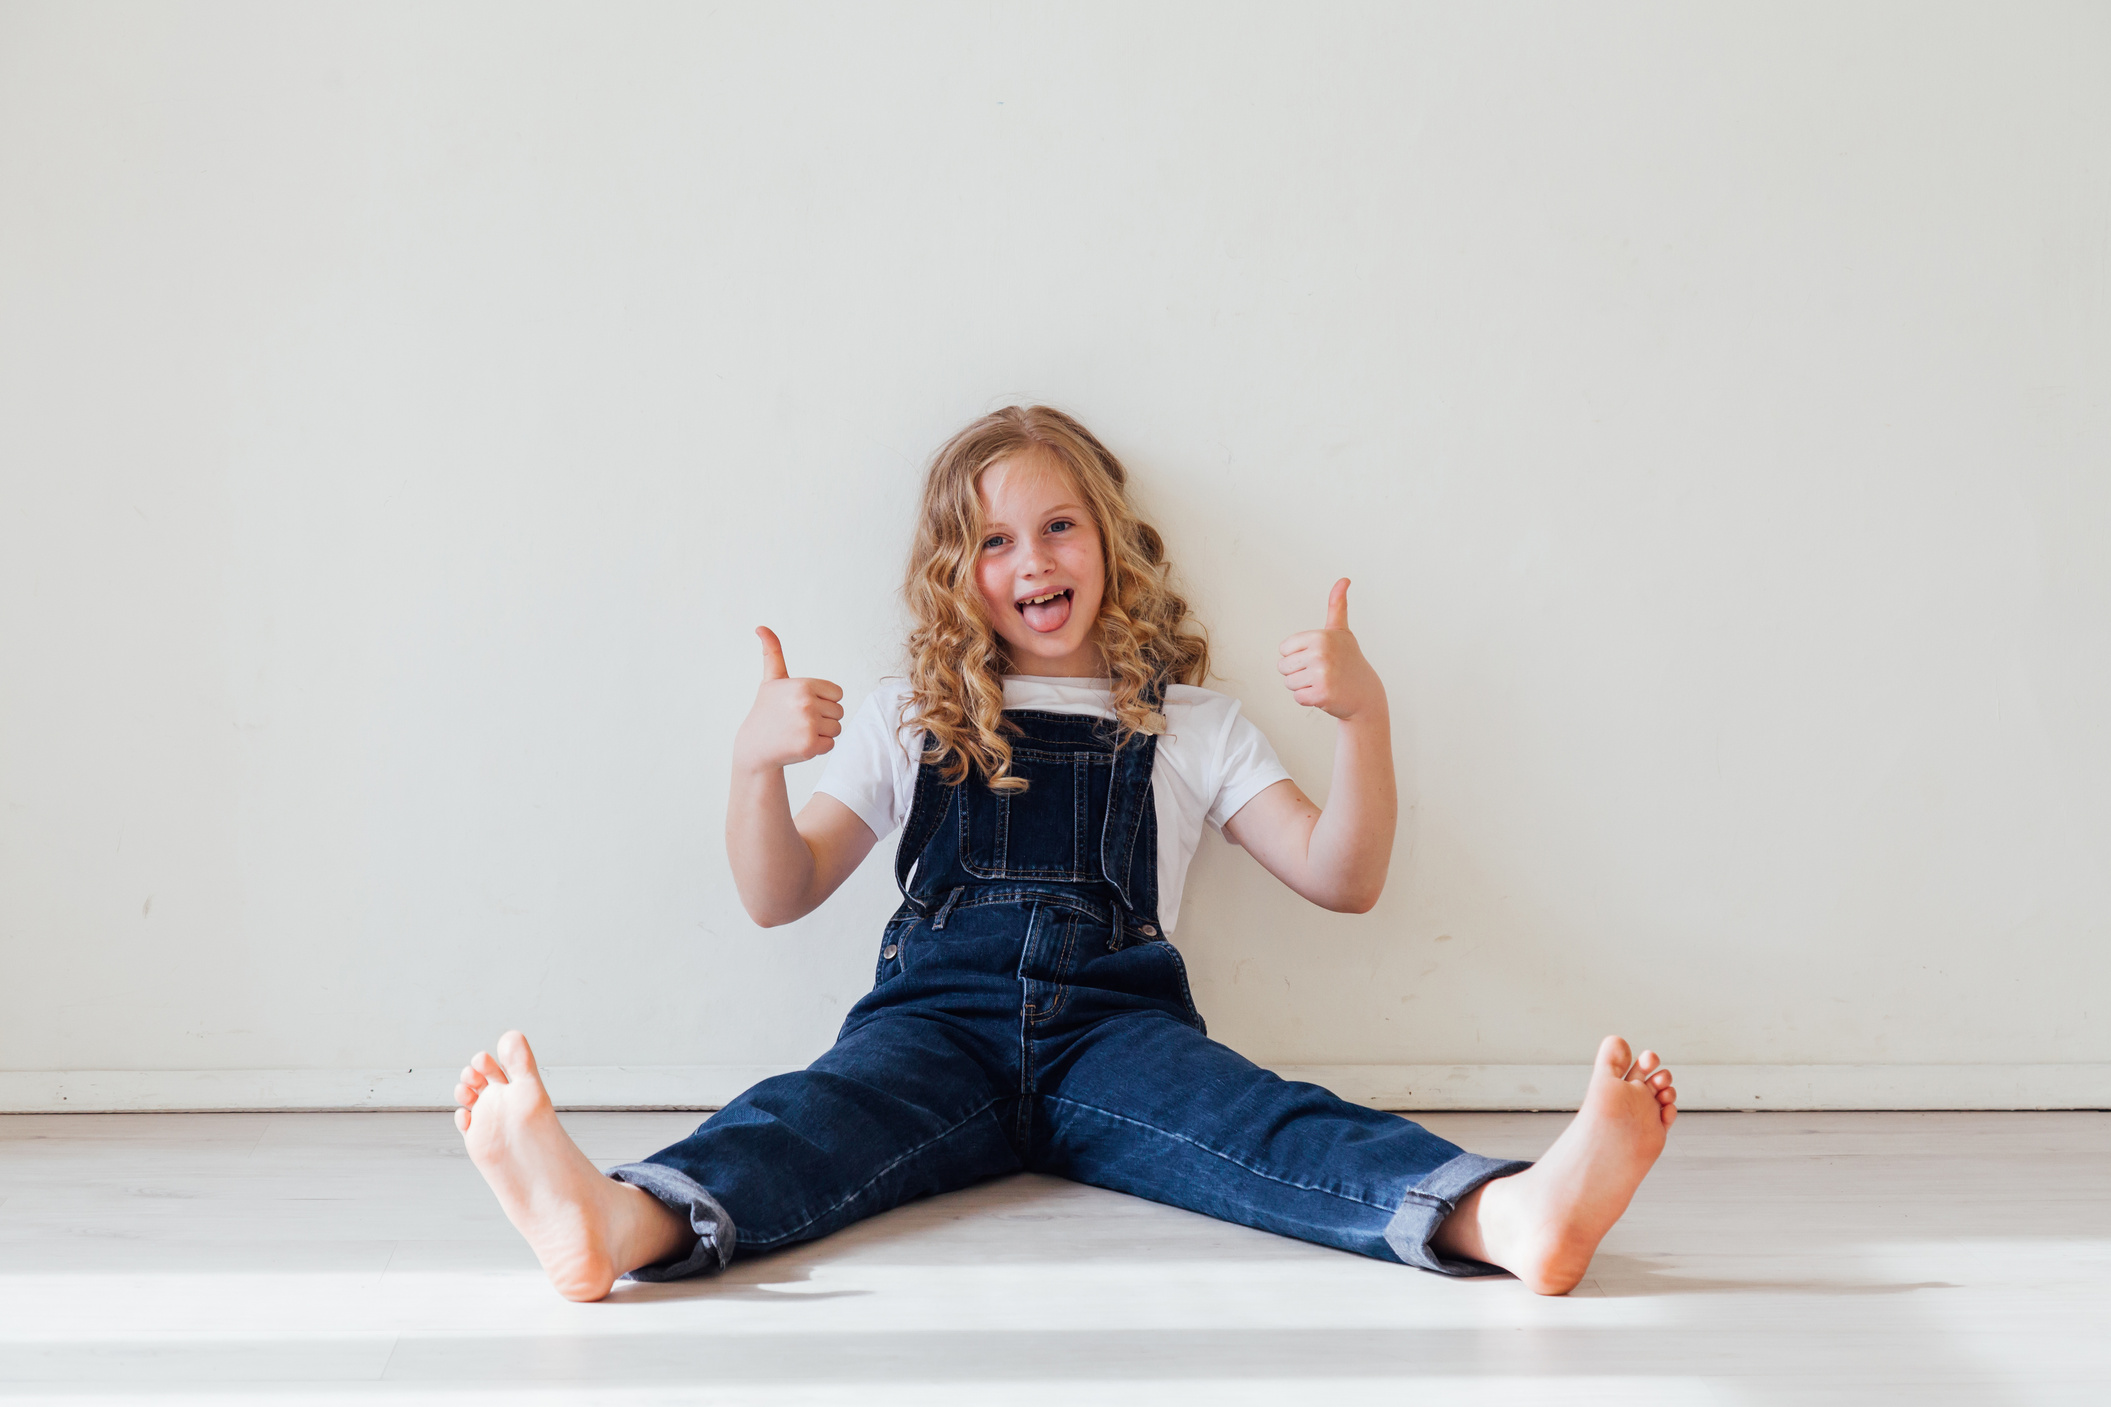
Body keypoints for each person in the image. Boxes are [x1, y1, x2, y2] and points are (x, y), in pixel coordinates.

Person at [453, 405, 1679, 1302]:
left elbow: (1340, 878)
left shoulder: (1191, 722)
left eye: (1055, 527)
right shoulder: (906, 714)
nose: (1031, 562)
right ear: (955, 575)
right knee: (800, 1127)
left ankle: (1508, 1216)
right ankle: (615, 1223)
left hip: (1118, 1035)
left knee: (1272, 1132)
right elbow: (778, 894)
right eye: (993, 543)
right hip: (926, 1030)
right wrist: (751, 765)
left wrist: (1364, 722)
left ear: (1109, 540)